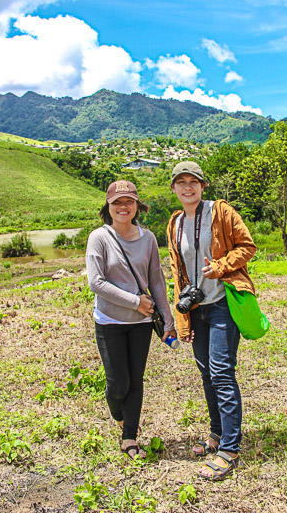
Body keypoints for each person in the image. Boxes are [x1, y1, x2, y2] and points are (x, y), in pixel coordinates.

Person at [167, 161, 257, 480]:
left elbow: (247, 246)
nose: (187, 186)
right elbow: (177, 273)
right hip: (197, 308)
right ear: (174, 188)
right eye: (181, 182)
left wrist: (220, 266)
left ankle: (230, 449)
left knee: (221, 371)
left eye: (193, 181)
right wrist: (183, 320)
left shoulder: (221, 212)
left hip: (221, 303)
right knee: (206, 372)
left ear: (203, 186)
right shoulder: (175, 223)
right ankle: (217, 434)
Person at [86, 179, 176, 459]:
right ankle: (117, 413)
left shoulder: (148, 238)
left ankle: (130, 437)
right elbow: (96, 283)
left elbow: (157, 281)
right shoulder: (98, 238)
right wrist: (136, 302)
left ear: (137, 206)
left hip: (141, 324)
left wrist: (168, 318)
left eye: (129, 202)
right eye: (117, 202)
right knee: (117, 384)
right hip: (109, 321)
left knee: (135, 380)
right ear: (108, 207)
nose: (123, 207)